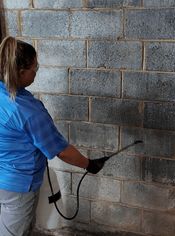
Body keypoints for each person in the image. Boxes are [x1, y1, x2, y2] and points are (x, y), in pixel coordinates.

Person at [0, 36, 105, 236]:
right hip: (18, 186)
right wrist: (89, 164)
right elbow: (62, 152)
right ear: (21, 72)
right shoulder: (27, 112)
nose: (36, 73)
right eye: (34, 69)